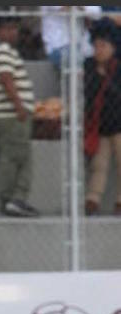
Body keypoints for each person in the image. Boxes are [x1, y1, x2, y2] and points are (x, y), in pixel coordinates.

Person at [0, 15, 40, 218]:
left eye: (14, 29)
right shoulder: (1, 50)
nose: (12, 33)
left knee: (17, 156)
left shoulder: (0, 51)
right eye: (7, 29)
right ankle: (14, 199)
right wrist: (19, 105)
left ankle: (11, 200)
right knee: (18, 158)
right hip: (10, 113)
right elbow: (5, 77)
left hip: (6, 112)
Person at [83, 21, 121, 215]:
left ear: (113, 48)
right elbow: (88, 94)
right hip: (101, 124)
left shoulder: (117, 67)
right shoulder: (90, 67)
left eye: (103, 46)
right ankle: (93, 199)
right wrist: (98, 77)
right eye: (96, 46)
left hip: (119, 123)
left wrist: (107, 79)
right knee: (99, 164)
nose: (99, 50)